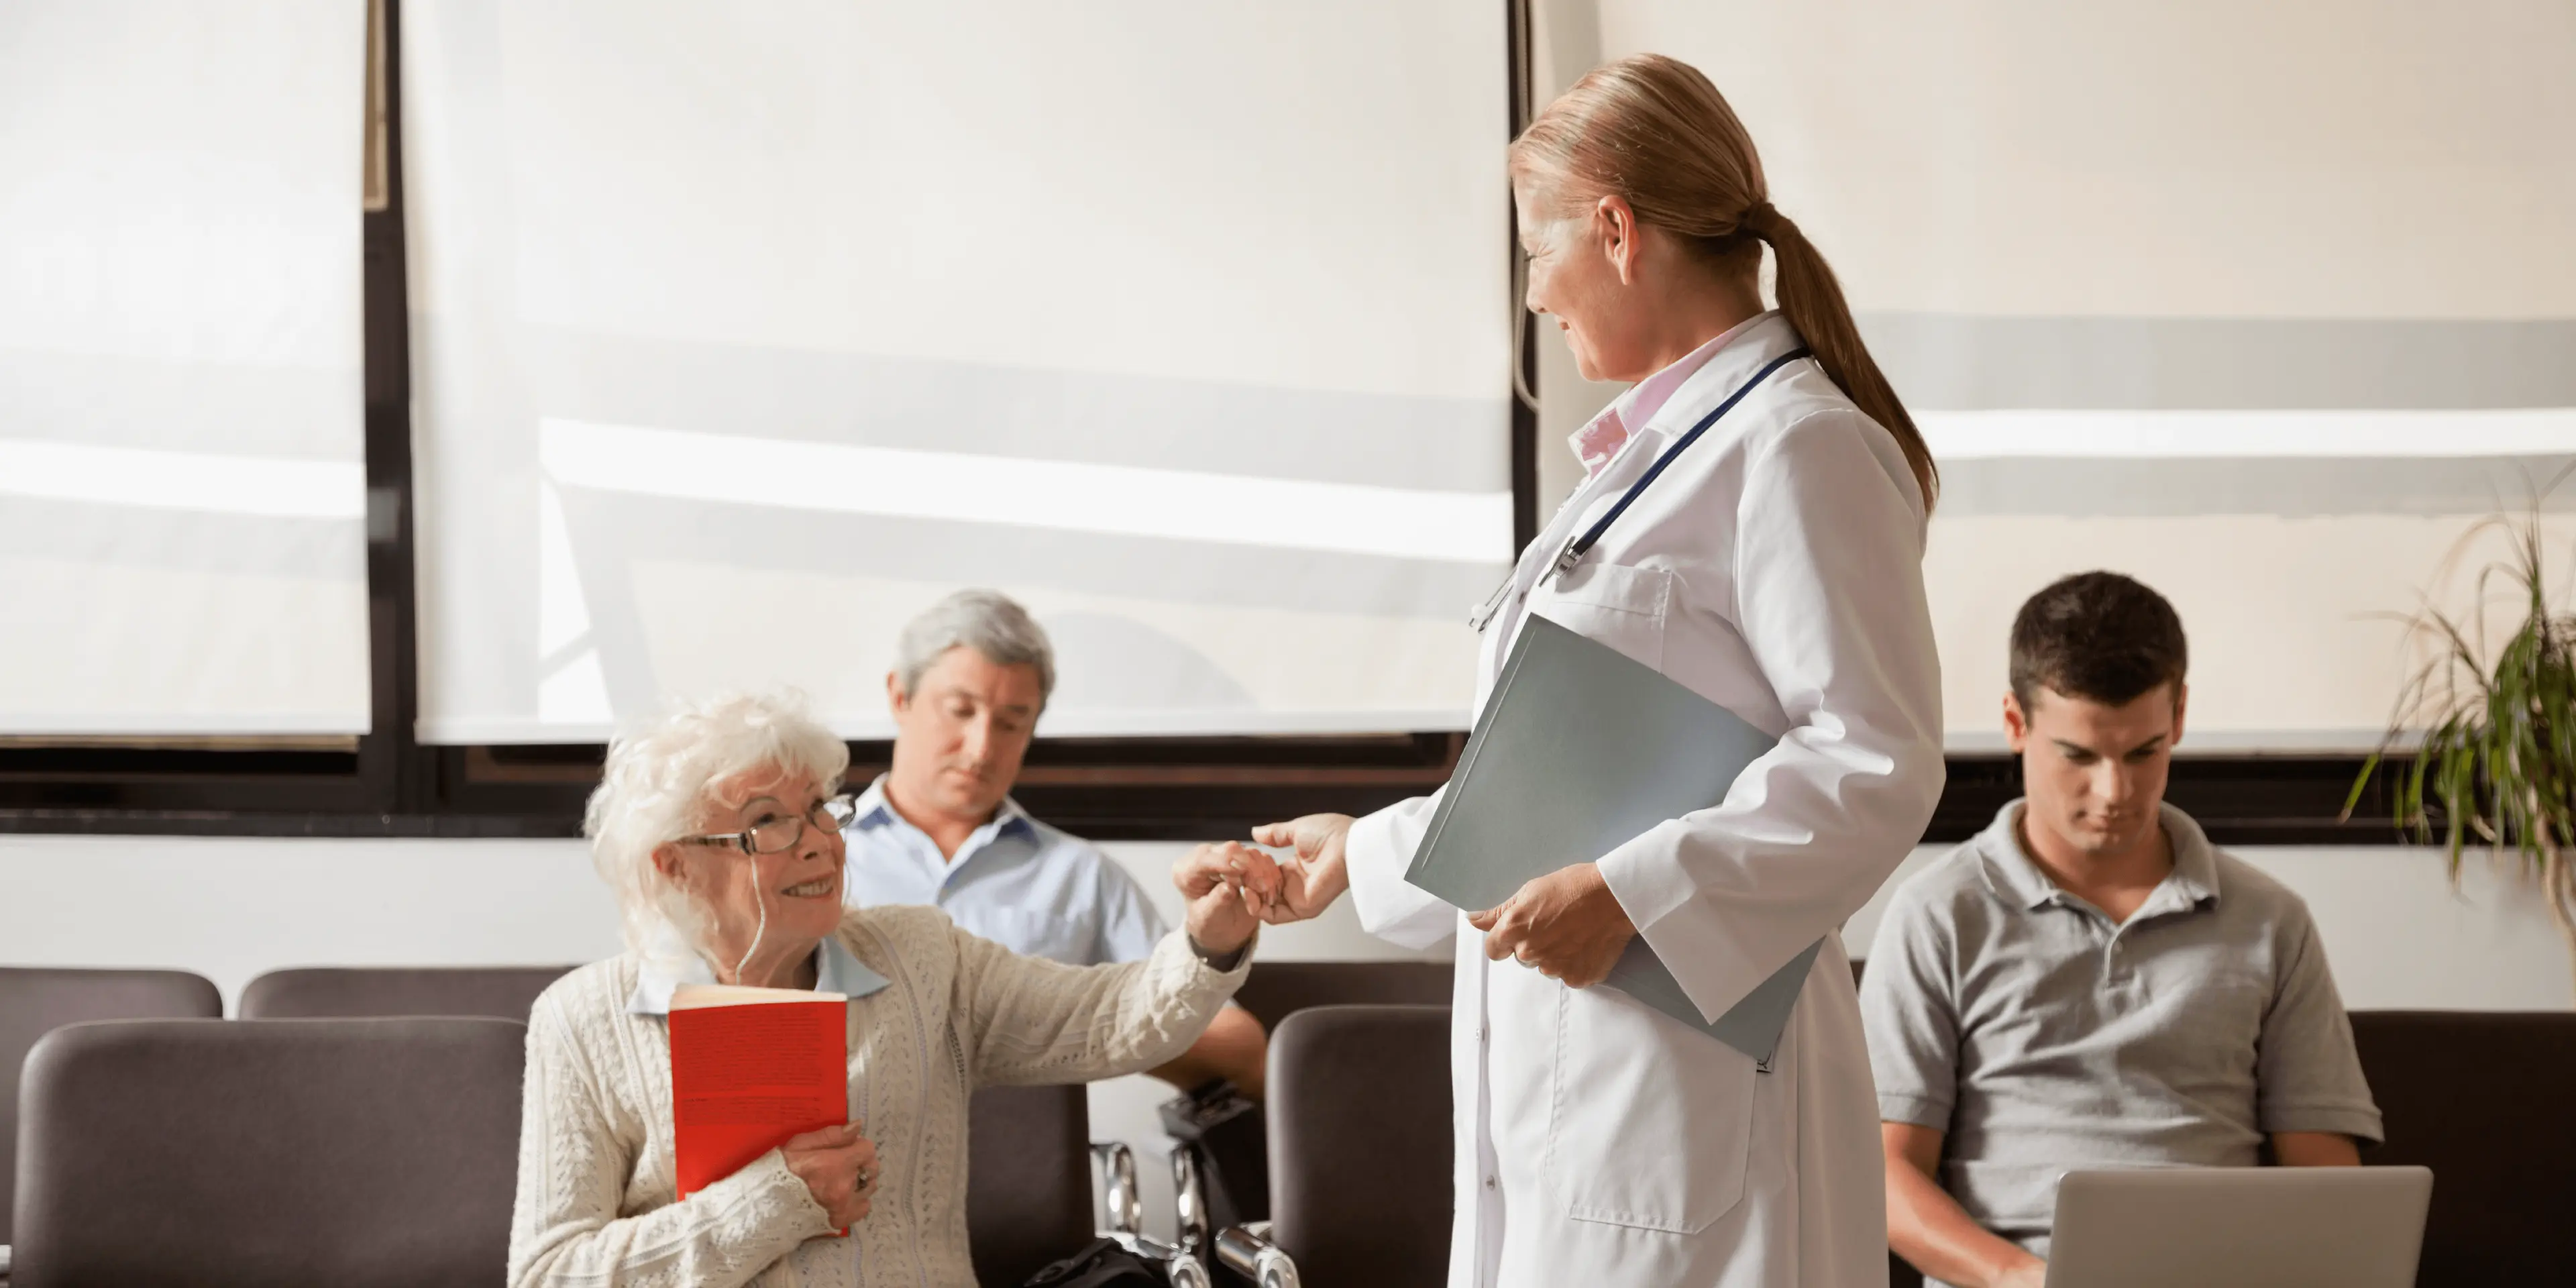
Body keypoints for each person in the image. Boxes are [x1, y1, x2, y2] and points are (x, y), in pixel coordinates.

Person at [1210, 53, 1947, 1288]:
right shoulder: (1655, 460)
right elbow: (1578, 774)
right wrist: (1365, 855)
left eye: (1534, 250)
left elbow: (1873, 763)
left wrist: (1634, 895)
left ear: (1614, 229)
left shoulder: (1799, 446)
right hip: (1597, 1075)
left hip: (1699, 1085)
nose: (1536, 289)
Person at [508, 692, 1270, 1288]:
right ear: (674, 865)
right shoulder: (581, 1021)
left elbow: (1114, 1024)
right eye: (767, 821)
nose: (816, 841)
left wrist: (1209, 938)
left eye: (819, 809)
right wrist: (772, 1202)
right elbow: (548, 1275)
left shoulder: (919, 957)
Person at [1862, 572, 2381, 1288]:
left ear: (2181, 716)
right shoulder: (1938, 915)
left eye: (2144, 753)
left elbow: (2325, 1177)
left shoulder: (2271, 920)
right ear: (2016, 724)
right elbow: (1882, 1174)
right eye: (2078, 755)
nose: (2115, 793)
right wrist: (2021, 1280)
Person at [842, 589, 1270, 1097]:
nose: (981, 748)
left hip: (1034, 1167)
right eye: (960, 710)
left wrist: (1067, 1026)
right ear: (899, 697)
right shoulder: (812, 858)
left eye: (1011, 723)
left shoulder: (1081, 876)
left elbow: (1242, 1048)